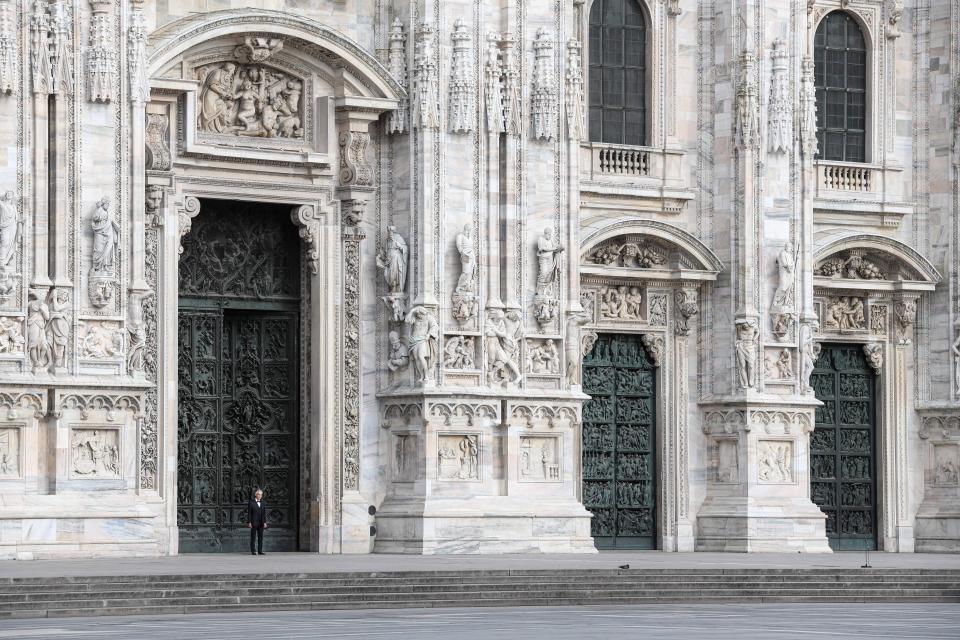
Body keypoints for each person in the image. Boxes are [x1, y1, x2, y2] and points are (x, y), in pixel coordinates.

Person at [247, 488, 268, 556]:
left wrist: (264, 522)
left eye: (261, 495)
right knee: (253, 537)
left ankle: (260, 551)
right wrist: (249, 522)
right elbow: (249, 513)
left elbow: (264, 513)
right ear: (256, 495)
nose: (260, 496)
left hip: (261, 523)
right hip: (253, 522)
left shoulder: (263, 502)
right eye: (258, 494)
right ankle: (253, 551)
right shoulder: (251, 502)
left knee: (260, 537)